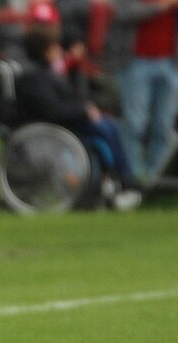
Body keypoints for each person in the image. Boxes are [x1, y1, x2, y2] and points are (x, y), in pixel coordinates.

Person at [15, 24, 142, 210]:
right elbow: (53, 110)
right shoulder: (36, 79)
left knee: (108, 126)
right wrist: (84, 112)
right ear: (47, 50)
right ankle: (127, 181)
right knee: (106, 128)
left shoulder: (51, 74)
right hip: (54, 128)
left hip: (64, 123)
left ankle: (121, 180)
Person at [104, 0, 178, 187]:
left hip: (170, 63)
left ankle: (157, 180)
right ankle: (133, 177)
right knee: (135, 123)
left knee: (164, 125)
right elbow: (122, 13)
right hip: (135, 63)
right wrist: (161, 6)